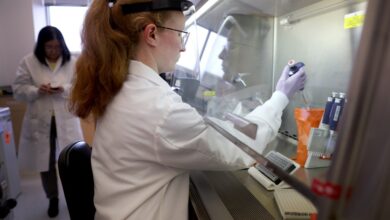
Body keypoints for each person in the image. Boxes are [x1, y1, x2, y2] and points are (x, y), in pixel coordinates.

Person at [69, 0, 306, 219]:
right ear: (151, 34)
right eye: (181, 35)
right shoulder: (157, 108)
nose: (183, 48)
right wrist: (281, 96)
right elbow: (239, 148)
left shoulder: (124, 87)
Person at [12, 26, 83, 218]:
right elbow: (18, 89)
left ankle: (73, 196)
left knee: (71, 160)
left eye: (57, 47)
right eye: (49, 47)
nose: (53, 51)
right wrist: (37, 91)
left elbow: (79, 86)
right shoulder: (28, 62)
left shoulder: (72, 62)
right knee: (46, 162)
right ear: (41, 46)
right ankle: (53, 198)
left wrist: (64, 89)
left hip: (65, 118)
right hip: (40, 120)